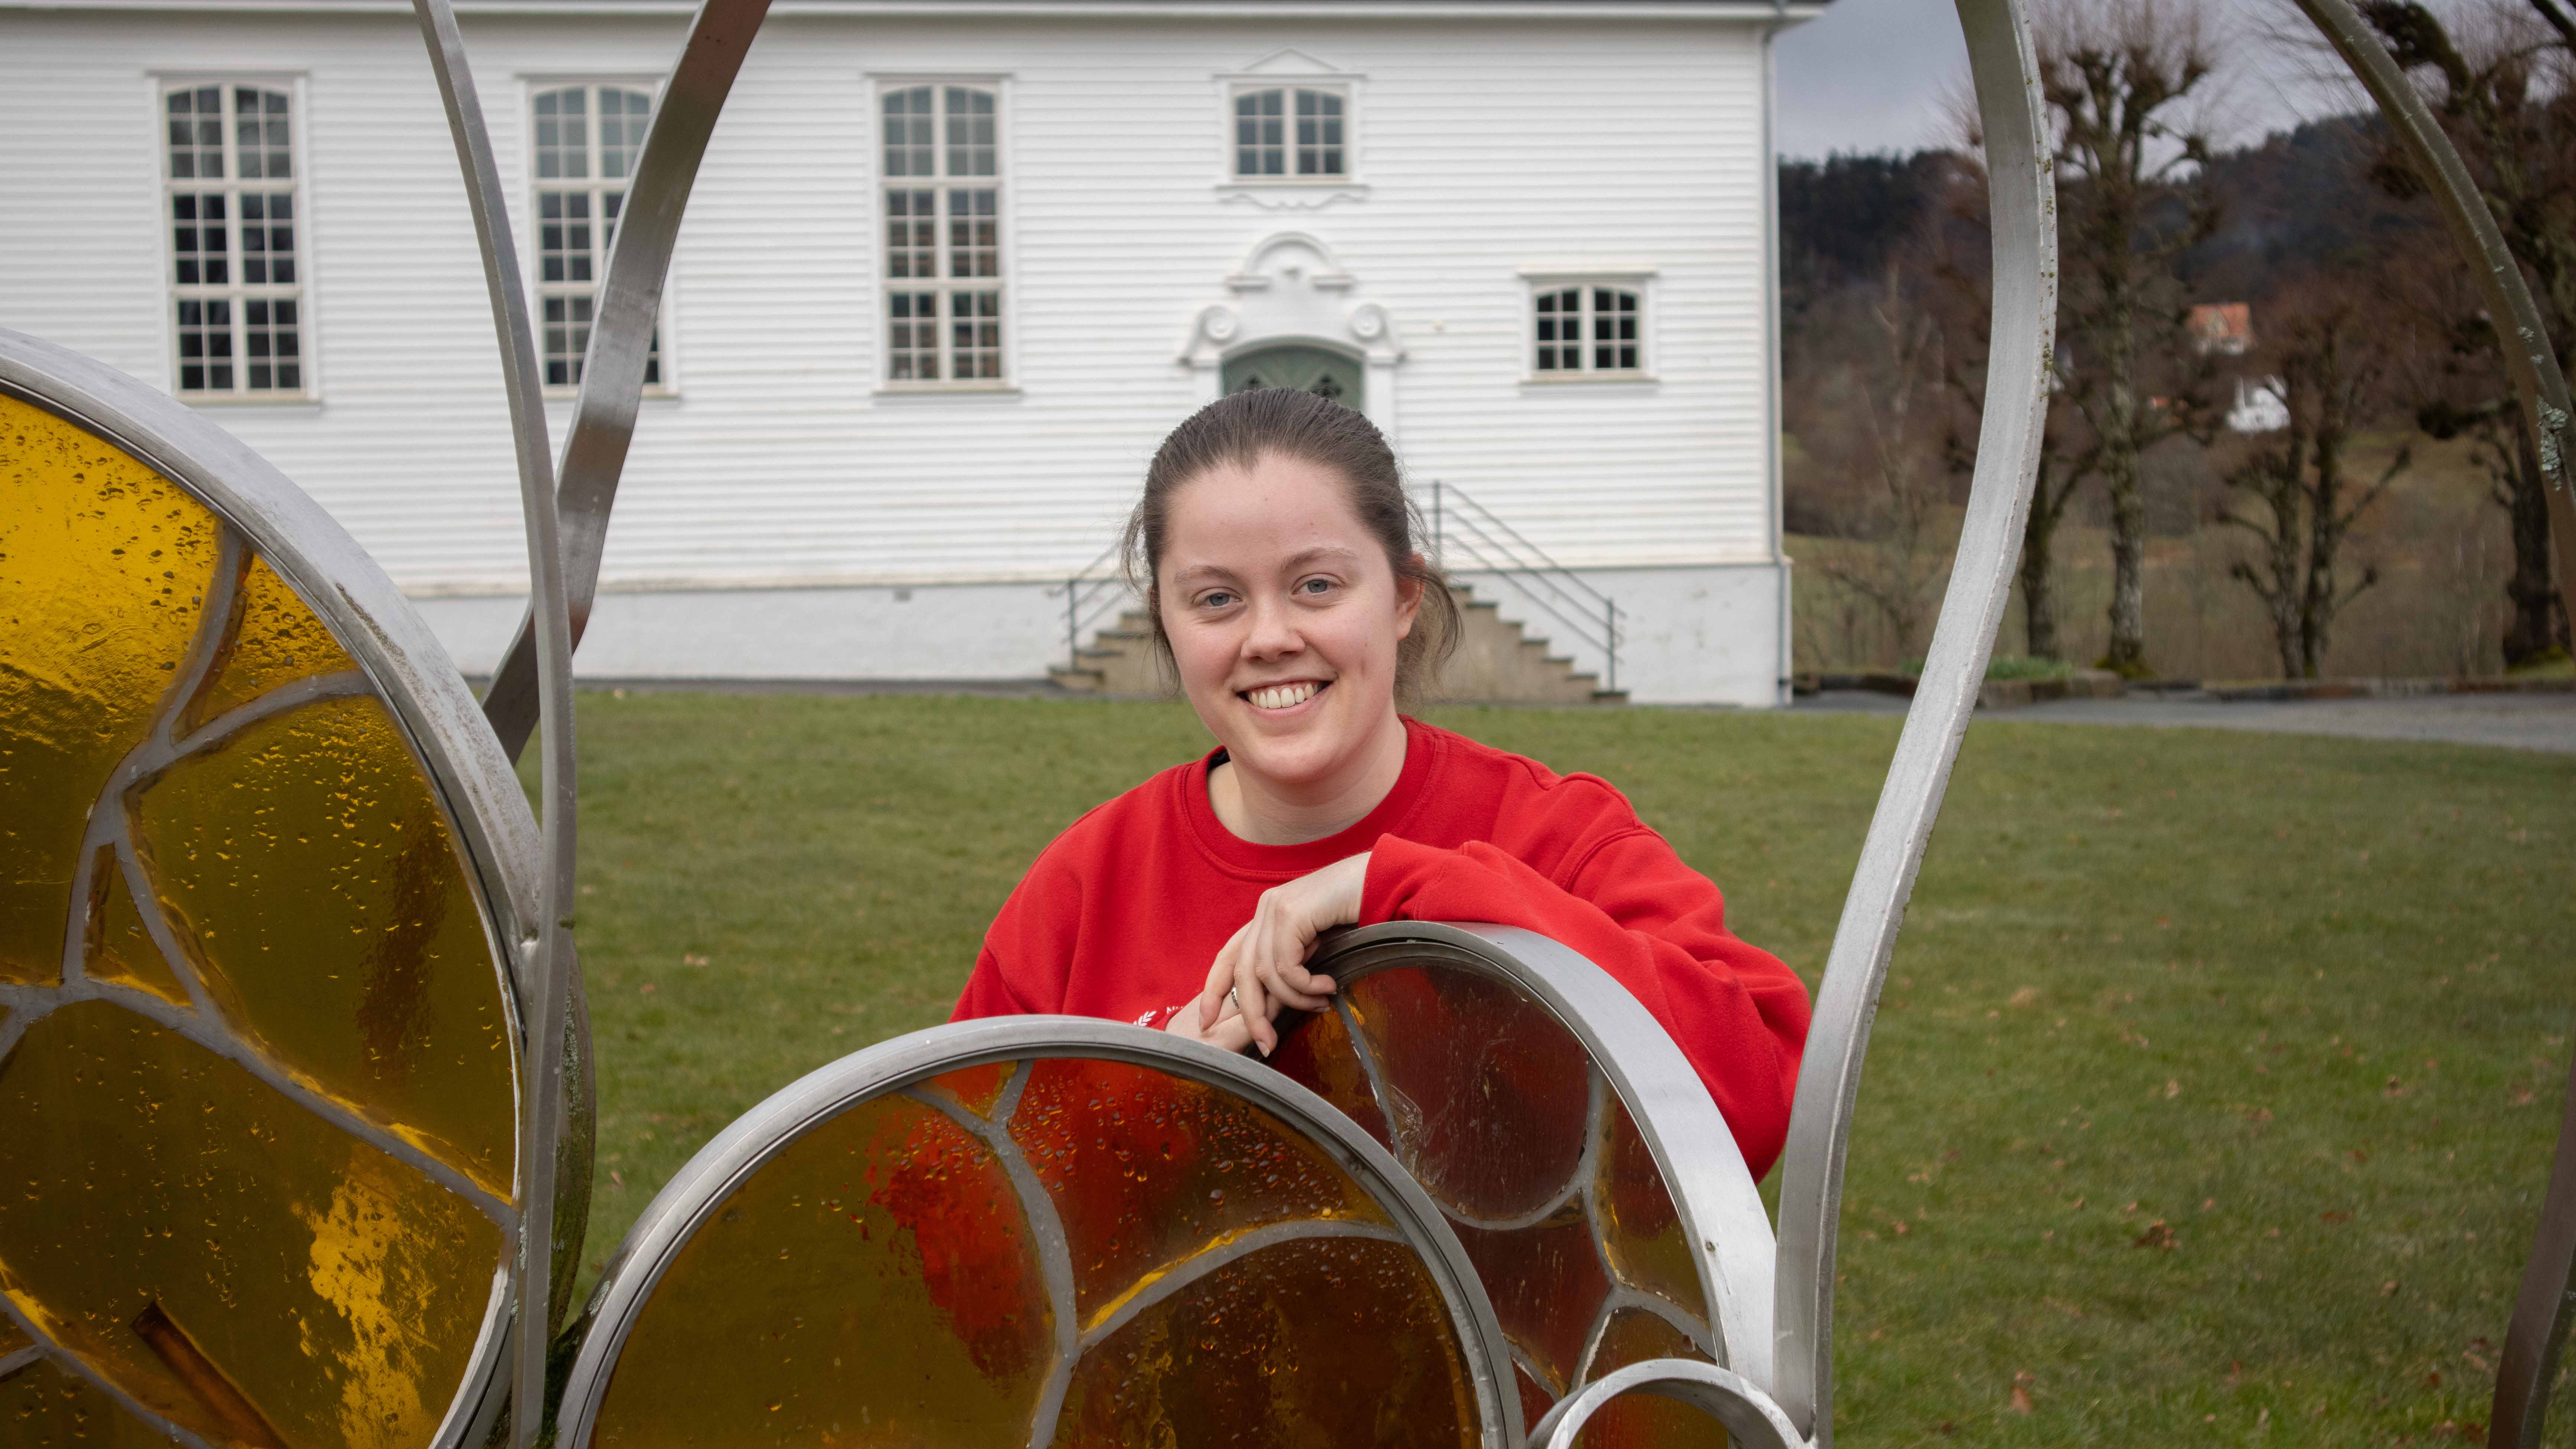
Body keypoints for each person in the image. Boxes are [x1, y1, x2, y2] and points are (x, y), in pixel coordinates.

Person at [949, 390, 1812, 1176]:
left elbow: (1756, 1092)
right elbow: (938, 1208)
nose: (1269, 636)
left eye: (1316, 585)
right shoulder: (1083, 889)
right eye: (1215, 599)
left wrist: (1402, 885)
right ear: (1165, 624)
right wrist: (1147, 1086)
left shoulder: (1555, 838)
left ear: (1402, 596)